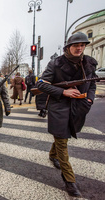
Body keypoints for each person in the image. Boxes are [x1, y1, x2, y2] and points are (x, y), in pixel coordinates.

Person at [36, 32, 98, 197]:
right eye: (76, 45)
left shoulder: (89, 64)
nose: (79, 48)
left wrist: (89, 101)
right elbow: (40, 84)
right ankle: (70, 181)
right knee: (62, 142)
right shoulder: (55, 64)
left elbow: (92, 86)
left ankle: (51, 154)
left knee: (63, 135)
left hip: (79, 107)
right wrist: (64, 92)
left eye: (82, 45)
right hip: (59, 107)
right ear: (68, 47)